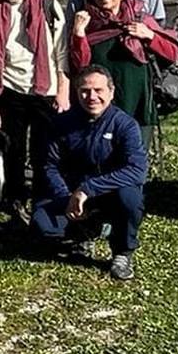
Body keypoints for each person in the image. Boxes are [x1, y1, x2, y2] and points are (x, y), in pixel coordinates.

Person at [36, 67, 148, 281]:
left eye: (99, 90)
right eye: (85, 91)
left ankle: (122, 251)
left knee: (130, 199)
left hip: (109, 193)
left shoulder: (125, 125)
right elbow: (49, 165)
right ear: (76, 92)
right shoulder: (60, 124)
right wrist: (66, 197)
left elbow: (136, 170)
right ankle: (83, 231)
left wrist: (88, 189)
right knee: (43, 226)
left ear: (111, 92)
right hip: (70, 192)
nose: (92, 97)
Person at [0, 0, 71, 215]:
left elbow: (61, 51)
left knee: (45, 152)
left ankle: (44, 202)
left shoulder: (47, 5)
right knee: (13, 151)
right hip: (11, 89)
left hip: (46, 90)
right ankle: (14, 202)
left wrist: (63, 90)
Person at [68, 0, 178, 129]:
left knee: (134, 152)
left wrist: (150, 36)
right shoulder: (86, 22)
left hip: (137, 104)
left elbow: (173, 53)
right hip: (98, 105)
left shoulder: (140, 19)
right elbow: (79, 66)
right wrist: (78, 34)